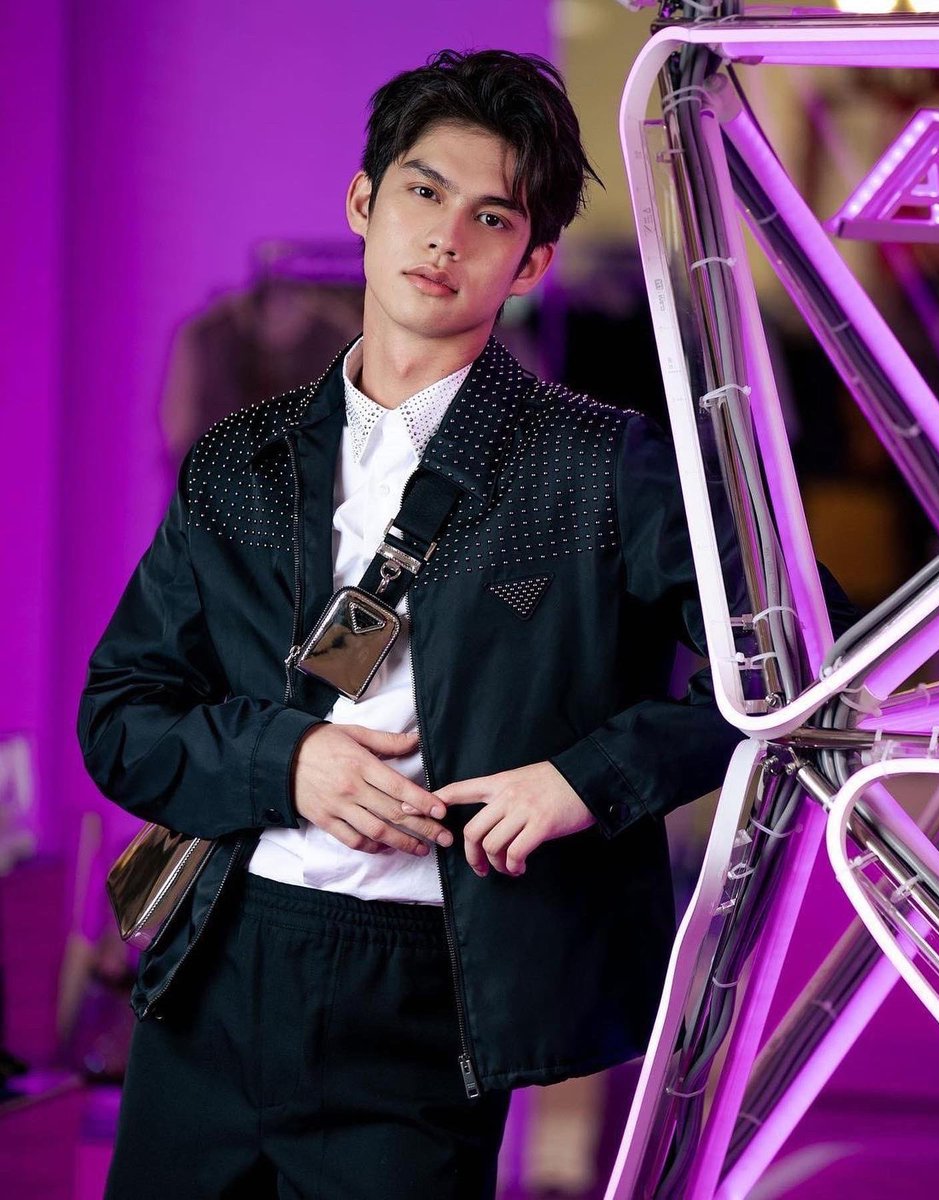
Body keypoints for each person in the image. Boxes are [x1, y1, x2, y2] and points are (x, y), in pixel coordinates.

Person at [79, 49, 752, 1200]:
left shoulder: (599, 463)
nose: (444, 238)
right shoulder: (239, 460)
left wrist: (582, 781)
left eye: (491, 217)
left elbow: (795, 663)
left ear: (530, 263)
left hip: (427, 986)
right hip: (217, 972)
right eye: (423, 192)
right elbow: (121, 718)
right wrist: (289, 761)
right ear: (364, 202)